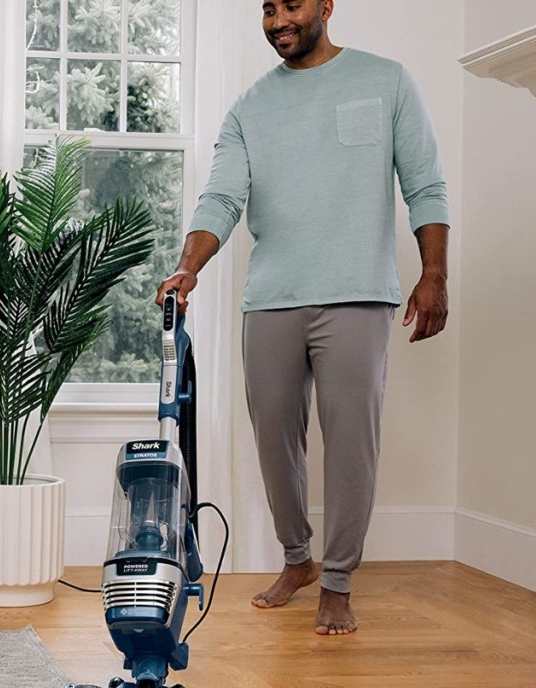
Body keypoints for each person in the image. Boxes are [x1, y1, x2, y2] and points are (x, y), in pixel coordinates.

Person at [156, 0, 450, 635]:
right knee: (274, 441)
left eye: (291, 5)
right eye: (267, 9)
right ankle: (298, 559)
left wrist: (434, 274)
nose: (277, 19)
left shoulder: (387, 80)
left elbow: (424, 183)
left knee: (351, 444)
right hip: (271, 297)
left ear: (325, 6)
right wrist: (190, 266)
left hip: (357, 294)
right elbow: (222, 196)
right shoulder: (250, 108)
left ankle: (338, 581)